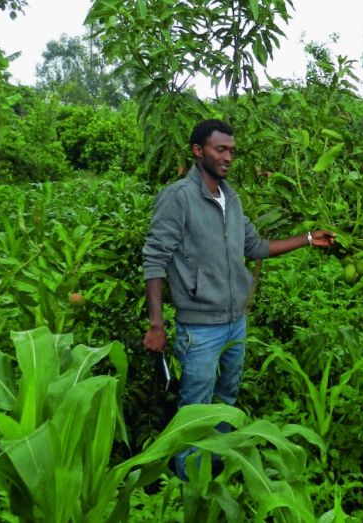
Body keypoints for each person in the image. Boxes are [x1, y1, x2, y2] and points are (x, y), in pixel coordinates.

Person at [142, 119, 335, 479]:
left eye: (231, 150)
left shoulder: (231, 197)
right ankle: (188, 485)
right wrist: (157, 324)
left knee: (226, 401)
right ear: (198, 151)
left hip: (235, 323)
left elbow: (255, 246)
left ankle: (215, 472)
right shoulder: (179, 198)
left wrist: (308, 238)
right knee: (196, 410)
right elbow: (155, 258)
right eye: (221, 149)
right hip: (199, 328)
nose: (228, 156)